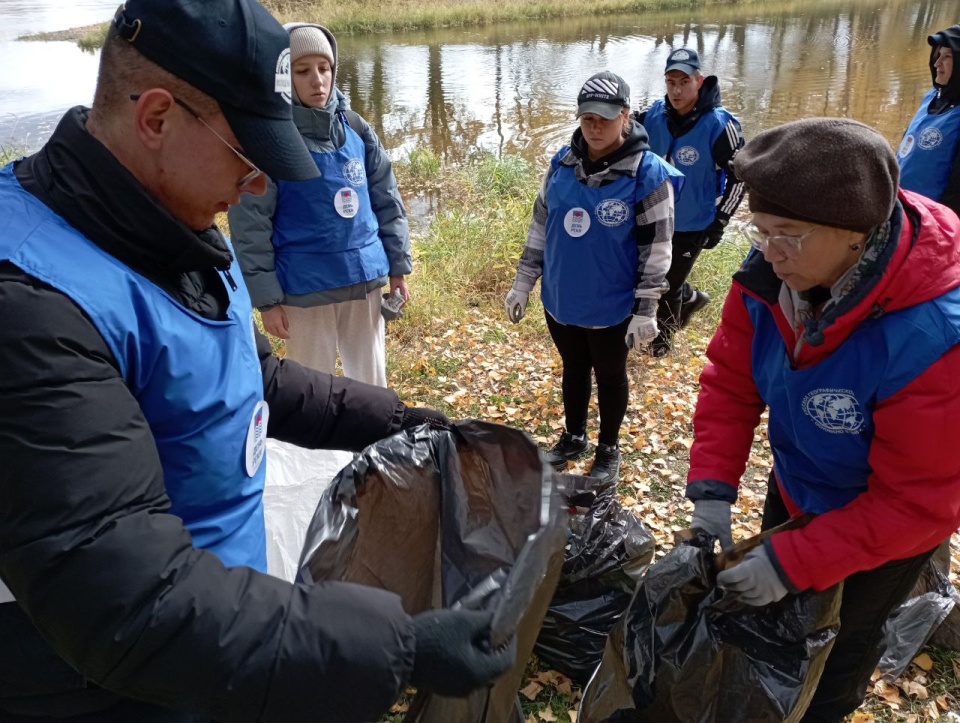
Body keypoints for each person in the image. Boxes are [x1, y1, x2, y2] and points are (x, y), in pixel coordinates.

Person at [0, 2, 513, 721]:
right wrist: (397, 645)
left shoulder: (171, 224)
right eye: (247, 156)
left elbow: (252, 377)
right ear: (156, 118)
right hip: (106, 681)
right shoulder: (30, 303)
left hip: (218, 637)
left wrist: (397, 420)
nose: (257, 185)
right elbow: (124, 595)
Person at [686, 117, 960, 720]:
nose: (769, 252)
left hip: (886, 531)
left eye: (788, 236)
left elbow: (918, 502)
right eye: (760, 231)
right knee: (776, 623)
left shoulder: (934, 336)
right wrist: (712, 489)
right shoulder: (770, 274)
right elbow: (731, 381)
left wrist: (793, 561)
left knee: (840, 649)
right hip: (799, 484)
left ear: (858, 234)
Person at [505, 71, 682, 483]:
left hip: (613, 304)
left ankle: (608, 447)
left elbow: (657, 248)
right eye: (587, 118)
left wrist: (646, 309)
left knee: (610, 373)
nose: (595, 127)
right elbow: (540, 225)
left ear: (625, 115)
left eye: (605, 118)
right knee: (573, 367)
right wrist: (523, 282)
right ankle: (574, 436)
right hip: (562, 298)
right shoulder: (562, 164)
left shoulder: (648, 174)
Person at [228, 22, 411, 388]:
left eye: (324, 68)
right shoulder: (270, 143)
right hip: (304, 290)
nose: (317, 80)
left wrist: (398, 269)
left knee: (372, 385)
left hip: (364, 280)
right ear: (283, 76)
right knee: (311, 391)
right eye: (302, 70)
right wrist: (268, 302)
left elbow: (388, 201)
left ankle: (373, 429)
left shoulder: (356, 129)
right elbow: (251, 226)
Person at [635, 48, 745, 356]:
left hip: (693, 222)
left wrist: (720, 221)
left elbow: (741, 176)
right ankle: (692, 298)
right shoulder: (652, 115)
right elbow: (623, 140)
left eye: (684, 82)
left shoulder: (720, 124)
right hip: (651, 216)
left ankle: (661, 343)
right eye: (671, 82)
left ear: (699, 81)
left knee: (666, 285)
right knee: (643, 274)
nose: (677, 91)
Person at [898, 25, 960, 216]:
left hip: (929, 219)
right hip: (898, 205)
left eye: (947, 57)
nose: (937, 63)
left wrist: (939, 222)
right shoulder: (931, 96)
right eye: (937, 55)